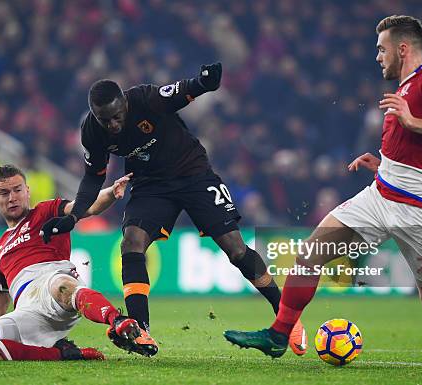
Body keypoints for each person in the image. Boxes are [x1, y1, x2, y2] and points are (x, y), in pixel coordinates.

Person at [224, 15, 422, 366]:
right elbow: (419, 153)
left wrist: (411, 121)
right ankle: (279, 334)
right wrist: (384, 166)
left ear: (402, 48)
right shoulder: (404, 88)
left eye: (382, 49)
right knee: (311, 253)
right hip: (380, 196)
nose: (378, 57)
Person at [40, 63, 304, 356]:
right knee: (132, 242)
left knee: (236, 249)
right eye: (106, 120)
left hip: (193, 173)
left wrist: (204, 83)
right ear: (95, 115)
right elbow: (93, 177)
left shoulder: (144, 98)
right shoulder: (92, 131)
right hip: (151, 185)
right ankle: (140, 330)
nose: (113, 125)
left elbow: (179, 93)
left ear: (125, 104)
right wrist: (73, 217)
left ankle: (286, 319)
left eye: (117, 117)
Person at [0, 164, 141, 361]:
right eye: (4, 193)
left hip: (53, 287)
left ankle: (118, 320)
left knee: (62, 285)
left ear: (27, 191)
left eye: (17, 190)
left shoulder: (45, 211)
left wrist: (111, 192)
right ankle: (63, 354)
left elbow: (86, 207)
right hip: (27, 311)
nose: (12, 197)